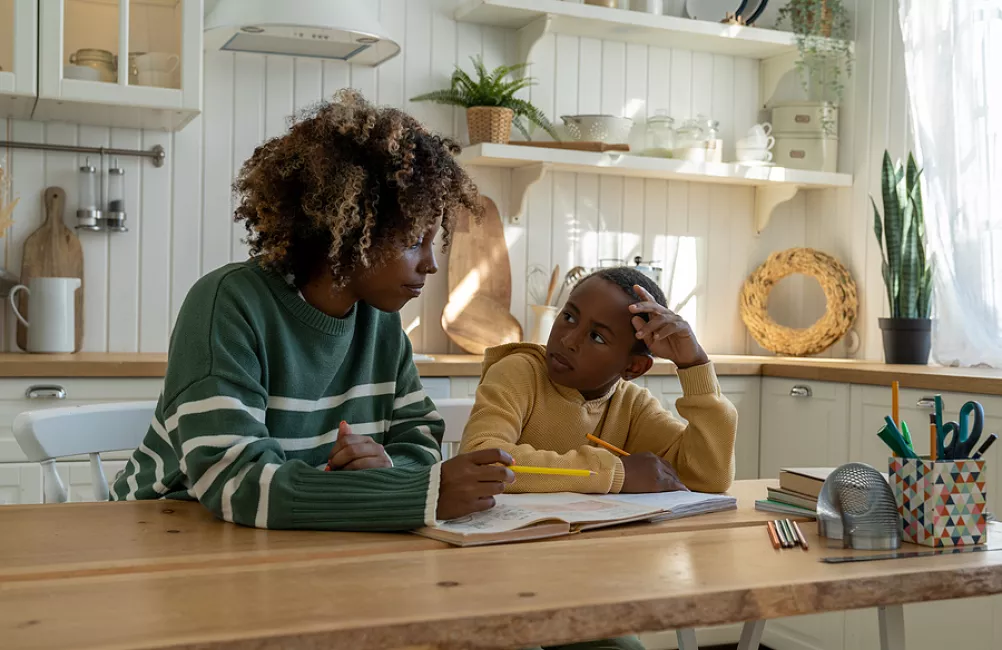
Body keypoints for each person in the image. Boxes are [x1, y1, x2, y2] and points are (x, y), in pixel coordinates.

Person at [111, 90, 514, 529]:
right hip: (160, 531)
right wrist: (420, 494)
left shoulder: (381, 323)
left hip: (286, 539)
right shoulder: (227, 305)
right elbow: (240, 483)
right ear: (351, 228)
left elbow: (418, 437)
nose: (431, 264)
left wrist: (385, 468)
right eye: (413, 240)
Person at [460, 266, 737, 496]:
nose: (568, 340)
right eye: (568, 317)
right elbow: (482, 459)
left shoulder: (632, 406)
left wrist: (695, 364)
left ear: (633, 367)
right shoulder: (518, 373)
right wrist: (613, 474)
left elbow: (709, 476)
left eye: (597, 337)